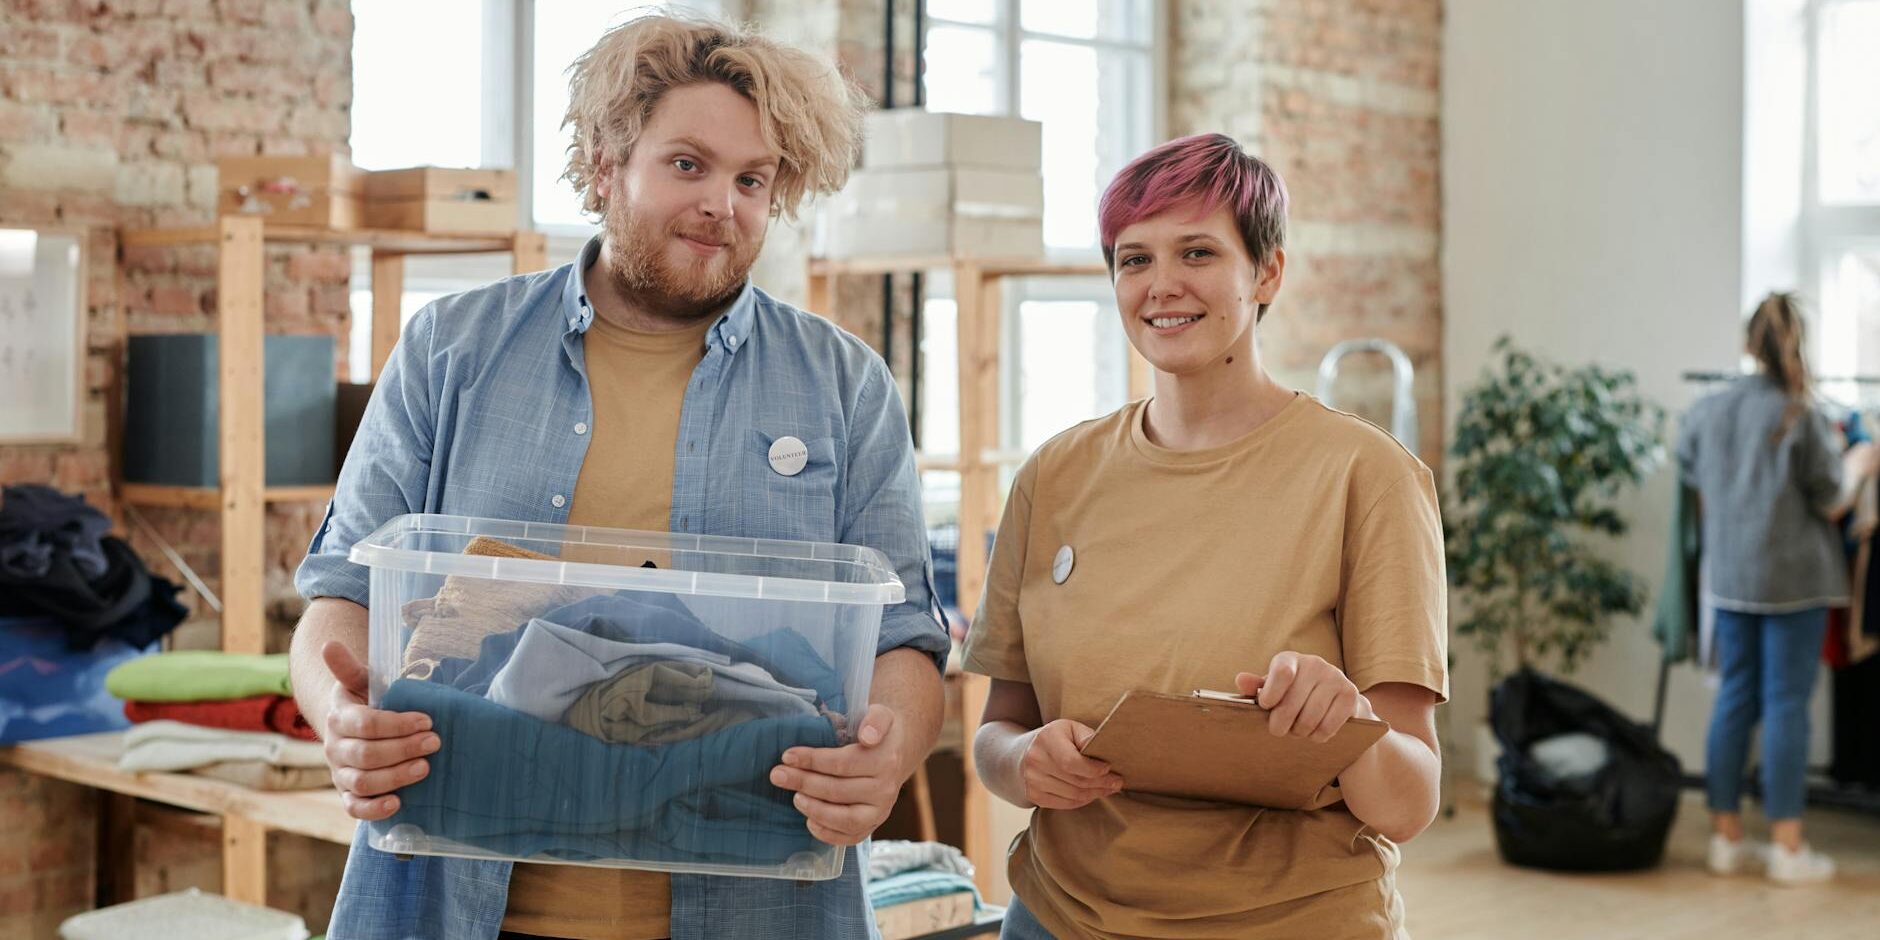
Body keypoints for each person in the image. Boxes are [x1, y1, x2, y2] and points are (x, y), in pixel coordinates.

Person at [290, 14, 949, 940]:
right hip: (457, 902)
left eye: (752, 179)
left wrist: (887, 759)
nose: (723, 203)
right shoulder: (453, 350)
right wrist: (339, 720)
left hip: (759, 902)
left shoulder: (844, 386)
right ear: (605, 163)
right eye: (688, 164)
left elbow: (907, 646)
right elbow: (342, 597)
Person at [961, 133, 1448, 939]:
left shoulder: (1369, 478)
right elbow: (995, 734)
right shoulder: (1054, 475)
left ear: (1267, 273)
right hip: (1057, 917)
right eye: (1133, 259)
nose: (1162, 286)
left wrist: (1350, 723)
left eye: (1197, 252)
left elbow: (1410, 802)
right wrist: (1025, 762)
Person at [1677, 292, 1880, 886]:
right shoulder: (1803, 415)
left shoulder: (1708, 411)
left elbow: (1692, 471)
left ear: (1747, 343)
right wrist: (1861, 462)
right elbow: (1833, 498)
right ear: (1798, 345)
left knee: (1735, 697)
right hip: (1796, 581)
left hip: (1732, 577)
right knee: (1787, 703)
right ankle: (1788, 847)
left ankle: (1725, 838)